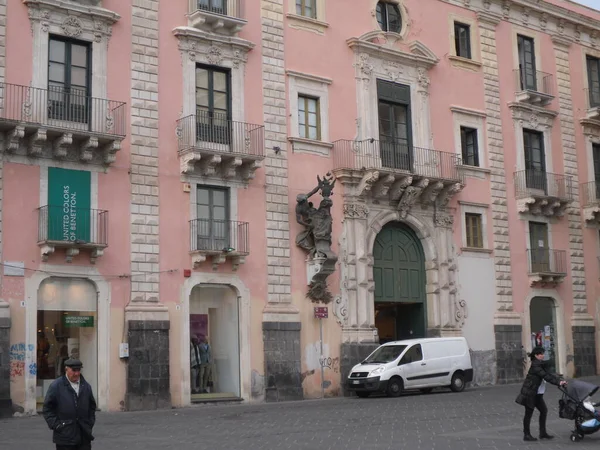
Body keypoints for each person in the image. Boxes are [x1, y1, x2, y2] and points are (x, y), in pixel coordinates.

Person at [43, 359, 97, 450]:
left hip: (84, 435)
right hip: (64, 436)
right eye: (74, 370)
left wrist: (89, 423)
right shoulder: (56, 386)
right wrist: (57, 425)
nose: (76, 373)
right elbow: (47, 409)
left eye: (78, 370)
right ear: (66, 369)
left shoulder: (86, 386)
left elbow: (92, 407)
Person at [515, 346, 567, 442]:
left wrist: (560, 380)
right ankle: (526, 435)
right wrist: (558, 383)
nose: (543, 355)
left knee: (544, 411)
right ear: (536, 355)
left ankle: (542, 433)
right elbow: (546, 376)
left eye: (543, 353)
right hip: (530, 393)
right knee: (528, 414)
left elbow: (549, 374)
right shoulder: (535, 365)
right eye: (541, 354)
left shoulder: (540, 364)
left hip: (537, 394)